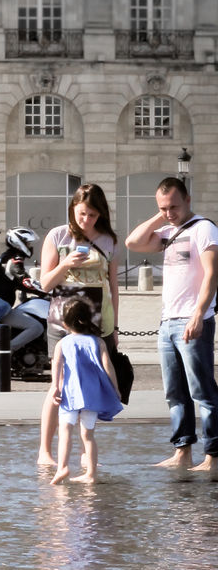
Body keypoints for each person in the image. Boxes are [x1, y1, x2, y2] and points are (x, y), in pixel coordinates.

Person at [125, 175, 218, 472]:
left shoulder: (204, 229)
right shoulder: (169, 230)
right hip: (167, 322)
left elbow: (212, 274)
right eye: (163, 207)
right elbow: (133, 242)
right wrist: (161, 216)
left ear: (188, 200)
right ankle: (182, 451)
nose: (169, 213)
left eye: (174, 207)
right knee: (174, 391)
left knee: (202, 390)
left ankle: (213, 456)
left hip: (193, 320)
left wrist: (199, 313)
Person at [36, 184, 120, 468]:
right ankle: (45, 451)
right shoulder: (58, 236)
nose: (86, 220)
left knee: (91, 385)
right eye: (82, 214)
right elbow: (45, 284)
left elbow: (113, 287)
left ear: (101, 214)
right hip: (63, 321)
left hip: (98, 320)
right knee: (57, 386)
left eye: (93, 215)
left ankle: (86, 450)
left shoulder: (108, 240)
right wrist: (65, 264)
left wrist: (115, 327)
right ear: (73, 209)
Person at [49, 296, 122, 486]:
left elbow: (56, 367)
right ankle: (91, 473)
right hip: (92, 395)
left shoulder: (62, 344)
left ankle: (63, 467)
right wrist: (116, 389)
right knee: (88, 435)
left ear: (65, 323)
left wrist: (55, 387)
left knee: (65, 430)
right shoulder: (97, 342)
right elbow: (109, 367)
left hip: (70, 395)